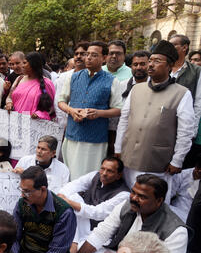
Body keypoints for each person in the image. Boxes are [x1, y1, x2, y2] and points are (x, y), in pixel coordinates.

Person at [114, 40, 195, 201]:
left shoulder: (181, 93)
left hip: (158, 163)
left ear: (169, 67)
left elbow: (186, 131)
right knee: (131, 200)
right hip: (129, 157)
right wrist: (118, 148)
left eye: (157, 61)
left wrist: (177, 160)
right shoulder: (137, 89)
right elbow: (124, 119)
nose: (150, 65)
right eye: (150, 60)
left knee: (154, 204)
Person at [69, 174, 188, 253]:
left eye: (142, 196)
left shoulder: (177, 232)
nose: (134, 198)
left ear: (159, 201)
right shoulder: (127, 206)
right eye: (133, 192)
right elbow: (101, 233)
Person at [58, 41, 123, 180]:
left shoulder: (112, 81)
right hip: (72, 135)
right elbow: (61, 101)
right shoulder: (73, 77)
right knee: (69, 176)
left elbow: (118, 109)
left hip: (96, 140)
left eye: (94, 55)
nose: (88, 58)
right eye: (87, 54)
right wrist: (71, 111)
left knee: (89, 178)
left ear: (104, 58)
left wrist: (99, 113)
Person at [56, 156, 130, 253]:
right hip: (81, 222)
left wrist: (69, 202)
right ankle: (74, 241)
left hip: (95, 230)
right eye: (102, 168)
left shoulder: (123, 194)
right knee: (72, 196)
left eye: (110, 171)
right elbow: (72, 186)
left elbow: (98, 213)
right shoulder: (95, 176)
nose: (104, 173)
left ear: (119, 175)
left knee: (72, 202)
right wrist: (63, 197)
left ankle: (74, 243)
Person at [12, 166, 76, 253]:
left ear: (42, 189)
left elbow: (57, 251)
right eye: (21, 190)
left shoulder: (64, 212)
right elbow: (15, 238)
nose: (22, 195)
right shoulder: (22, 204)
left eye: (27, 192)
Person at [108, 50, 151, 155]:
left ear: (150, 65)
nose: (138, 67)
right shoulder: (122, 85)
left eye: (143, 64)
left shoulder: (156, 87)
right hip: (122, 138)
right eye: (135, 64)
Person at [168, 34, 201, 169]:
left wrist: (192, 132)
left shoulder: (196, 71)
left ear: (184, 47)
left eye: (174, 44)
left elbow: (198, 103)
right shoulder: (164, 67)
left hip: (182, 126)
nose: (170, 48)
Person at [5, 52, 56, 121]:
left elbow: (52, 106)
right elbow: (9, 97)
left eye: (25, 63)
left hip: (35, 125)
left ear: (33, 64)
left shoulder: (47, 83)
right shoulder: (19, 79)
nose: (22, 66)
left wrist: (40, 114)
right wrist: (9, 103)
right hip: (16, 122)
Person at [54, 42, 89, 131]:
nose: (78, 56)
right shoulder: (64, 76)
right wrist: (63, 123)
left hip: (85, 122)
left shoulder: (94, 76)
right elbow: (58, 101)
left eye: (82, 54)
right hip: (64, 123)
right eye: (76, 54)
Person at [168, 154, 201, 222]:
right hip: (177, 209)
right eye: (198, 167)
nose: (200, 171)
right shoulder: (183, 174)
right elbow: (170, 192)